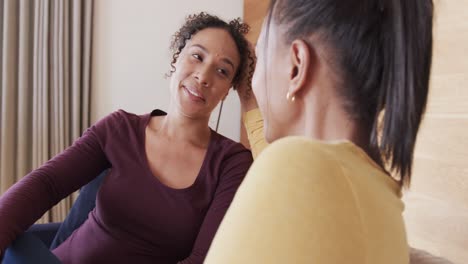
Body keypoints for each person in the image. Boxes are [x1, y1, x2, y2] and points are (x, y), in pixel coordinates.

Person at [0, 12, 254, 264]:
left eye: (222, 71)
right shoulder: (120, 128)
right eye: (197, 56)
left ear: (228, 89)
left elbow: (202, 260)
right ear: (176, 58)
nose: (203, 76)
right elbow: (46, 184)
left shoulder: (232, 164)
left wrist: (251, 100)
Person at [205, 0, 434, 263]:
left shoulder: (294, 166)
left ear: (296, 66)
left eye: (260, 61)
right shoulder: (383, 199)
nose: (255, 83)